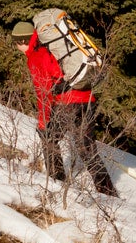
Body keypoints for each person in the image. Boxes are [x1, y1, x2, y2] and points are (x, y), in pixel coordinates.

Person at [12, 21, 116, 196]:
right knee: (87, 149)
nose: (17, 48)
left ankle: (56, 184)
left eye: (16, 43)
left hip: (67, 104)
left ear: (23, 41)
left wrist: (43, 122)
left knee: (49, 139)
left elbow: (43, 93)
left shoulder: (37, 56)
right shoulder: (51, 48)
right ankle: (108, 194)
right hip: (87, 99)